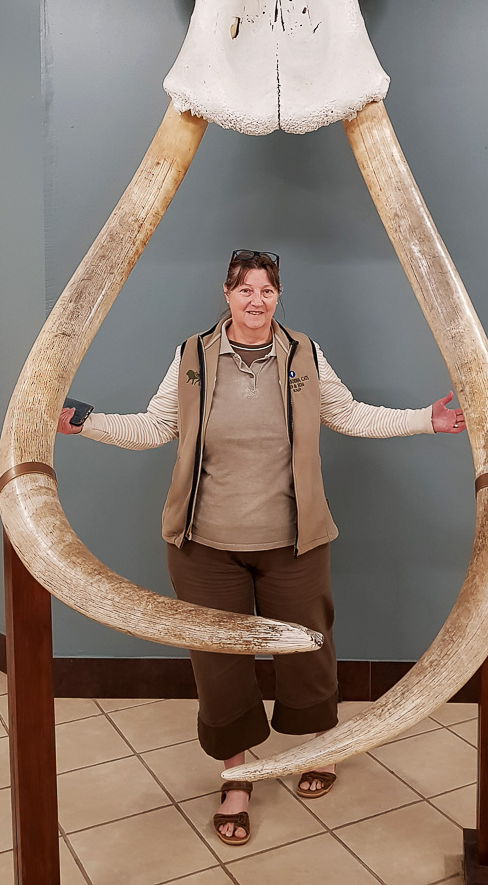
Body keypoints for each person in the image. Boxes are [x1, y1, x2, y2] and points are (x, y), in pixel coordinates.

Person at [58, 249, 466, 845]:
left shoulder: (304, 353)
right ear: (226, 293)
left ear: (278, 296)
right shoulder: (193, 355)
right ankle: (237, 773)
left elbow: (347, 415)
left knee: (309, 649)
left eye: (267, 290)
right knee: (219, 663)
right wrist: (85, 419)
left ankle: (316, 749)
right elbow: (151, 427)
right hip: (204, 548)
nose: (256, 300)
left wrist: (424, 420)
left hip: (294, 544)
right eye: (245, 289)